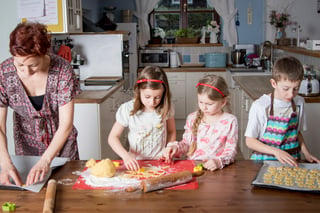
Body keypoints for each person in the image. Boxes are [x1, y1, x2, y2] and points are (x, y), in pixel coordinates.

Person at [0, 22, 80, 186]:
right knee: (30, 192)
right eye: (20, 64)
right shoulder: (4, 73)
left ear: (44, 54)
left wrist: (46, 160)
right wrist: (5, 163)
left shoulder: (62, 71)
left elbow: (66, 124)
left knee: (67, 188)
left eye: (33, 65)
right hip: (25, 142)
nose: (26, 72)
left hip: (61, 143)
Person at [245, 56, 320, 166]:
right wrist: (276, 152)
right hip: (264, 161)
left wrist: (306, 153)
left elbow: (296, 133)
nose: (291, 94)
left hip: (292, 159)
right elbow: (250, 141)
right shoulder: (261, 106)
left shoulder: (299, 102)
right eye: (286, 89)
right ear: (274, 83)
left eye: (296, 89)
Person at [163, 75, 238, 171]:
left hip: (216, 169)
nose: (204, 107)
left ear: (223, 102)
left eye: (209, 104)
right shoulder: (192, 118)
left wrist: (219, 161)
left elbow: (230, 151)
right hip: (194, 168)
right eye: (201, 102)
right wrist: (175, 147)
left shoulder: (230, 121)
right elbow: (186, 144)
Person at [108, 66, 176, 171]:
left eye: (157, 97)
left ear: (164, 94)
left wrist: (169, 147)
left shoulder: (166, 107)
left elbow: (171, 131)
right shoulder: (128, 109)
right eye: (147, 97)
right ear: (139, 90)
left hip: (160, 162)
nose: (152, 102)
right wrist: (126, 156)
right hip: (136, 163)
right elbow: (113, 137)